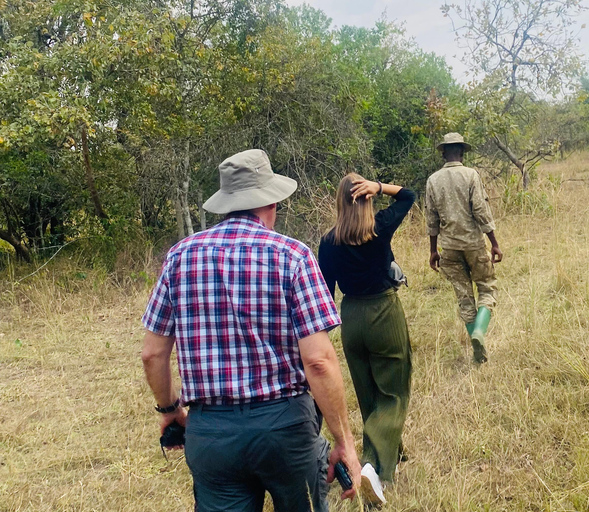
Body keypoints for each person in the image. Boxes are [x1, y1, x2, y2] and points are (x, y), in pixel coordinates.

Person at [140, 149, 361, 512]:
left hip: (212, 434)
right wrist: (344, 442)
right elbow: (319, 362)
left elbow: (152, 353)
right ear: (272, 202)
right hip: (285, 428)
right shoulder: (293, 255)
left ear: (225, 204)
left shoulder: (180, 256)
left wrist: (169, 409)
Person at [318, 173, 416, 506]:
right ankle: (374, 470)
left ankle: (392, 452)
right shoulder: (380, 227)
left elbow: (325, 294)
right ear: (368, 199)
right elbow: (409, 195)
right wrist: (380, 186)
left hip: (351, 317)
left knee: (367, 393)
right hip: (382, 311)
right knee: (393, 393)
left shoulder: (328, 242)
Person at [425, 133, 503, 364]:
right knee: (487, 289)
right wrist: (494, 242)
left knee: (464, 298)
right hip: (474, 245)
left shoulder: (433, 180)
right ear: (461, 152)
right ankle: (479, 332)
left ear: (443, 153)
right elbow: (480, 210)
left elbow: (431, 219)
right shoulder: (471, 175)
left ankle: (478, 349)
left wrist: (433, 251)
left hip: (448, 248)